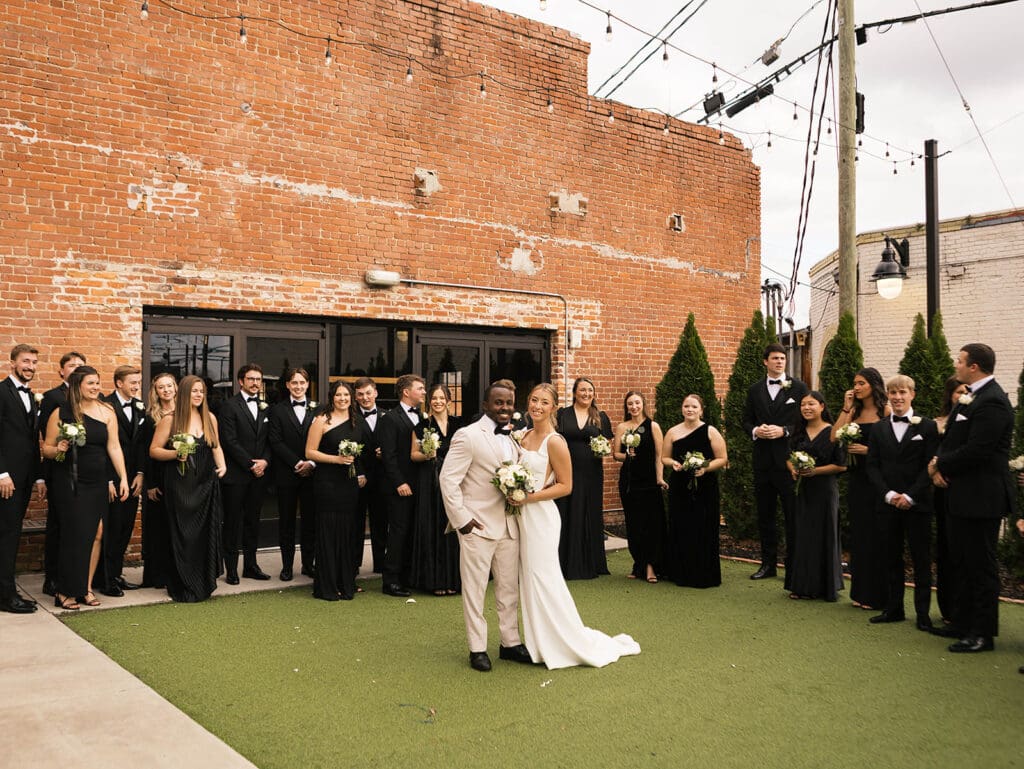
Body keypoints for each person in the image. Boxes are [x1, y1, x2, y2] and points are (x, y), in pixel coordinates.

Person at [515, 383, 641, 669]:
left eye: (543, 402)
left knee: (545, 578)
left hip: (541, 517)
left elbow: (566, 486)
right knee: (529, 579)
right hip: (521, 517)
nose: (536, 406)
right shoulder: (522, 436)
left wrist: (529, 497)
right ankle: (537, 644)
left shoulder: (555, 441)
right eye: (533, 400)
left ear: (553, 408)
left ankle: (561, 642)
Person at [438, 382, 531, 672]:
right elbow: (448, 480)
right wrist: (462, 520)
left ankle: (510, 642)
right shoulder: (467, 436)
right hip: (477, 526)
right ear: (486, 405)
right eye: (499, 402)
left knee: (508, 589)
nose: (505, 408)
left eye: (509, 403)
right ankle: (477, 648)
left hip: (509, 526)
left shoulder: (513, 437)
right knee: (475, 591)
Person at [929, 343, 1015, 653]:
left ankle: (982, 633)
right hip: (960, 493)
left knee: (980, 565)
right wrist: (938, 463)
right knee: (961, 561)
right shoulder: (970, 397)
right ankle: (962, 622)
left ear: (974, 366)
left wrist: (940, 464)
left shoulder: (993, 401)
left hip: (982, 496)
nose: (957, 364)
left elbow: (979, 449)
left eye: (960, 360)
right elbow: (951, 437)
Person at [42, 366, 130, 610]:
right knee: (75, 534)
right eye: (90, 383)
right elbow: (46, 449)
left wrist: (123, 477)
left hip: (97, 481)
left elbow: (114, 447)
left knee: (98, 532)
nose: (96, 387)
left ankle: (86, 588)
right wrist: (58, 448)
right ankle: (65, 590)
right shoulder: (62, 412)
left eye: (97, 382)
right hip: (70, 481)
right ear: (77, 386)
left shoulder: (107, 411)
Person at [865, 375, 939, 629]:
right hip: (887, 505)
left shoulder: (927, 427)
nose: (897, 397)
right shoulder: (878, 428)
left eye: (902, 392)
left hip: (918, 505)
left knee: (921, 560)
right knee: (891, 557)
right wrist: (888, 494)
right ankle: (894, 609)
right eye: (893, 392)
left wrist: (910, 496)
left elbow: (930, 465)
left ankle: (923, 615)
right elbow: (872, 466)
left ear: (912, 394)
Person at [150, 375, 227, 603]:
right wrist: (175, 454)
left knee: (203, 533)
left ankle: (202, 580)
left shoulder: (210, 418)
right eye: (194, 391)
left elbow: (215, 446)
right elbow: (154, 450)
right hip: (180, 485)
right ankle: (182, 582)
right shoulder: (170, 420)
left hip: (205, 483)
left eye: (201, 391)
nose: (199, 395)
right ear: (184, 393)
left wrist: (222, 465)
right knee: (183, 533)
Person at [742, 343, 809, 584]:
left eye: (782, 358)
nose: (780, 361)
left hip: (789, 462)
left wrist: (784, 431)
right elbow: (746, 421)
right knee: (765, 516)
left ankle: (793, 568)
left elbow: (806, 421)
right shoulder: (754, 390)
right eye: (775, 358)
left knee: (792, 516)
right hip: (762, 463)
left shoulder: (799, 388)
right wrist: (756, 431)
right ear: (765, 361)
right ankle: (768, 565)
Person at [830, 367, 889, 610]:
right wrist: (846, 408)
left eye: (861, 383)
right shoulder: (854, 411)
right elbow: (834, 437)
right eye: (855, 383)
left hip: (879, 479)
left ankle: (879, 595)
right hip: (857, 479)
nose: (856, 387)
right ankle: (861, 592)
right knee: (861, 534)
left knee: (877, 535)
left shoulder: (885, 411)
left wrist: (868, 451)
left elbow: (895, 446)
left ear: (874, 385)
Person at [305, 381, 367, 601]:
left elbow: (363, 453)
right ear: (332, 397)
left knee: (347, 532)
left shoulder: (357, 420)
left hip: (349, 485)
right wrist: (336, 459)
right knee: (329, 532)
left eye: (346, 395)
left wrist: (360, 472)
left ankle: (345, 582)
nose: (343, 399)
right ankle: (328, 585)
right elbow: (310, 452)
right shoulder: (322, 420)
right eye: (338, 395)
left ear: (352, 398)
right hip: (327, 483)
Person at [662, 394, 728, 588]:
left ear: (701, 410)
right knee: (681, 526)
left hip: (705, 487)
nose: (689, 409)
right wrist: (673, 463)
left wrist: (705, 468)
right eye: (686, 406)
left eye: (694, 406)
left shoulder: (710, 431)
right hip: (680, 486)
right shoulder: (673, 431)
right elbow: (664, 457)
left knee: (703, 527)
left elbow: (722, 458)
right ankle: (680, 572)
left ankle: (704, 574)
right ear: (682, 409)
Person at [786, 391, 846, 601]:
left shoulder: (833, 432)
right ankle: (802, 586)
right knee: (803, 535)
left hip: (825, 491)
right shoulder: (798, 432)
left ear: (822, 406)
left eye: (811, 404)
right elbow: (789, 456)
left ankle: (824, 587)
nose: (806, 408)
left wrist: (815, 471)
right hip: (803, 490)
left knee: (824, 534)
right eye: (803, 404)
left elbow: (841, 465)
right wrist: (793, 468)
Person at [0, 344, 46, 614]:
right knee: (7, 534)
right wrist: (2, 473)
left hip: (26, 477)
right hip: (6, 479)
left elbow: (32, 440)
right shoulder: (1, 392)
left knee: (11, 532)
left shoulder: (32, 396)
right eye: (26, 361)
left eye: (34, 362)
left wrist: (38, 477)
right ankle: (6, 597)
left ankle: (6, 590)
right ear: (12, 363)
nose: (30, 366)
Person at [218, 363, 272, 583]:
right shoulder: (229, 406)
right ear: (241, 381)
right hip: (236, 475)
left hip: (259, 476)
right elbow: (229, 441)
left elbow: (269, 439)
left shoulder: (265, 406)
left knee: (253, 521)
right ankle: (231, 569)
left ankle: (251, 566)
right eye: (251, 379)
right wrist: (251, 464)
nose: (255, 383)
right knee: (232, 523)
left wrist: (265, 461)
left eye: (258, 379)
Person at [555, 377, 613, 580]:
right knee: (566, 511)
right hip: (566, 471)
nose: (586, 394)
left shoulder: (600, 417)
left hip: (591, 473)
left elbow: (608, 445)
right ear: (574, 393)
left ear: (594, 394)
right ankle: (564, 562)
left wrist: (603, 449)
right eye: (582, 390)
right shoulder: (562, 414)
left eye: (590, 390)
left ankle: (591, 562)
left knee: (589, 512)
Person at [39, 350, 86, 597]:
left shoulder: (92, 398)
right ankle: (53, 579)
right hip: (59, 467)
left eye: (81, 365)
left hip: (85, 473)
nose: (76, 368)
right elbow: (44, 435)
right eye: (71, 365)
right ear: (61, 371)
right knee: (58, 526)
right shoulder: (52, 398)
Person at [98, 364, 148, 597]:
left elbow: (141, 444)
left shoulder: (139, 406)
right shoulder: (105, 405)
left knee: (125, 528)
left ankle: (116, 574)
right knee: (111, 529)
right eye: (133, 382)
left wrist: (140, 473)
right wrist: (109, 480)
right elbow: (102, 446)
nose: (137, 386)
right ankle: (105, 580)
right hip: (111, 478)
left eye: (138, 382)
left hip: (133, 478)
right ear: (119, 383)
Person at [408, 383, 462, 595]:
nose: (438, 402)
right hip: (429, 480)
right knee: (433, 526)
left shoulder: (460, 425)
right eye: (434, 398)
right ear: (429, 402)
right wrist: (427, 455)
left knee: (453, 526)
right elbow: (413, 455)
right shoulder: (422, 426)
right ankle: (435, 581)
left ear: (448, 401)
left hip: (455, 480)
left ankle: (454, 580)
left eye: (441, 398)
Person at [376, 373, 426, 597]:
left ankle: (408, 576)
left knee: (413, 532)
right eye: (420, 388)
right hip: (400, 486)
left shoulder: (422, 417)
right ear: (406, 392)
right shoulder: (390, 418)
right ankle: (391, 581)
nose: (424, 392)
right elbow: (388, 455)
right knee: (398, 533)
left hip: (419, 484)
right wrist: (400, 482)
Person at [268, 367, 317, 581]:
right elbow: (275, 441)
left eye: (302, 382)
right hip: (286, 474)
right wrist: (297, 463)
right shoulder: (277, 410)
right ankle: (287, 566)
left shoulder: (318, 409)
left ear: (307, 384)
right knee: (286, 523)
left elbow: (324, 439)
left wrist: (311, 463)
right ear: (287, 385)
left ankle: (308, 564)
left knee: (310, 522)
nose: (298, 386)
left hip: (313, 475)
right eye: (294, 383)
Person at [612, 391, 666, 583]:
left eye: (637, 403)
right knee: (634, 524)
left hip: (649, 481)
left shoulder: (653, 426)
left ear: (643, 404)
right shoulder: (622, 427)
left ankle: (651, 566)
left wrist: (659, 478)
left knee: (651, 524)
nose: (634, 407)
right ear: (626, 407)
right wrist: (628, 455)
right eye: (630, 404)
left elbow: (659, 455)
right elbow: (615, 455)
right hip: (629, 481)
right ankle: (639, 564)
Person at [932, 375, 968, 625]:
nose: (963, 396)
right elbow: (931, 455)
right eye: (959, 392)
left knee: (964, 550)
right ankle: (947, 608)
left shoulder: (974, 421)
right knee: (945, 547)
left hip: (966, 490)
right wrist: (934, 473)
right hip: (941, 490)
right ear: (950, 395)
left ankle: (964, 610)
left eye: (966, 392)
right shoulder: (937, 423)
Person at [139, 372, 176, 589]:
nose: (166, 390)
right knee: (158, 527)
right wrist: (151, 484)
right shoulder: (150, 417)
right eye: (161, 387)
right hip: (158, 477)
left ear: (175, 388)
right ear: (156, 391)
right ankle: (156, 576)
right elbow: (147, 453)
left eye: (169, 386)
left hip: (179, 476)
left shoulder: (185, 412)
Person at [353, 377, 387, 574]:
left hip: (381, 478)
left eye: (368, 393)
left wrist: (386, 452)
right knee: (356, 522)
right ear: (355, 396)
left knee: (380, 521)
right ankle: (354, 563)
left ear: (375, 393)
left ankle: (380, 563)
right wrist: (359, 472)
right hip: (359, 477)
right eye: (360, 394)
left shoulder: (386, 415)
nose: (365, 397)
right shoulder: (350, 416)